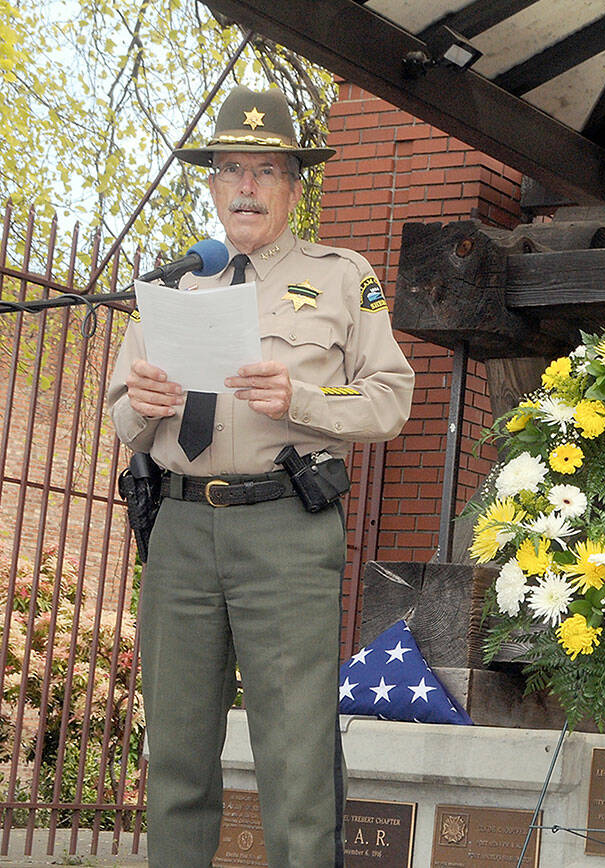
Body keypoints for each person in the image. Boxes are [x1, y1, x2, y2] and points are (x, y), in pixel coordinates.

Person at [108, 86, 414, 867]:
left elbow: (389, 395)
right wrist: (140, 405)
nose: (246, 186)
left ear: (293, 187)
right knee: (175, 756)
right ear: (211, 185)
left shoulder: (343, 276)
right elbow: (120, 415)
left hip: (284, 528)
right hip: (176, 529)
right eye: (230, 169)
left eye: (266, 170)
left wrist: (304, 398)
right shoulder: (174, 284)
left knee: (295, 761)